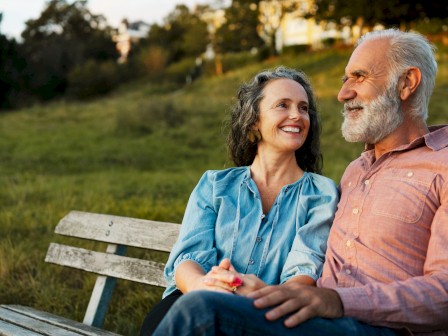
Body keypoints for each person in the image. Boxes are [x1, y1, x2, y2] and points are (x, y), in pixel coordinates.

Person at [152, 28, 448, 336]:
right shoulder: (355, 172)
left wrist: (336, 300)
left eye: (359, 77)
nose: (343, 94)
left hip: (379, 328)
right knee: (193, 310)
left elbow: (444, 295)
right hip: (313, 321)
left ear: (406, 83)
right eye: (344, 80)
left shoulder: (441, 165)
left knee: (203, 312)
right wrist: (262, 291)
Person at [139, 67, 339, 335]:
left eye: (303, 108)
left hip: (266, 312)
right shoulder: (215, 185)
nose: (297, 115)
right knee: (174, 317)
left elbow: (304, 273)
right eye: (283, 105)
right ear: (254, 120)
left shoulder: (321, 193)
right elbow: (187, 258)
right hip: (194, 300)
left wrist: (255, 292)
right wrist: (203, 287)